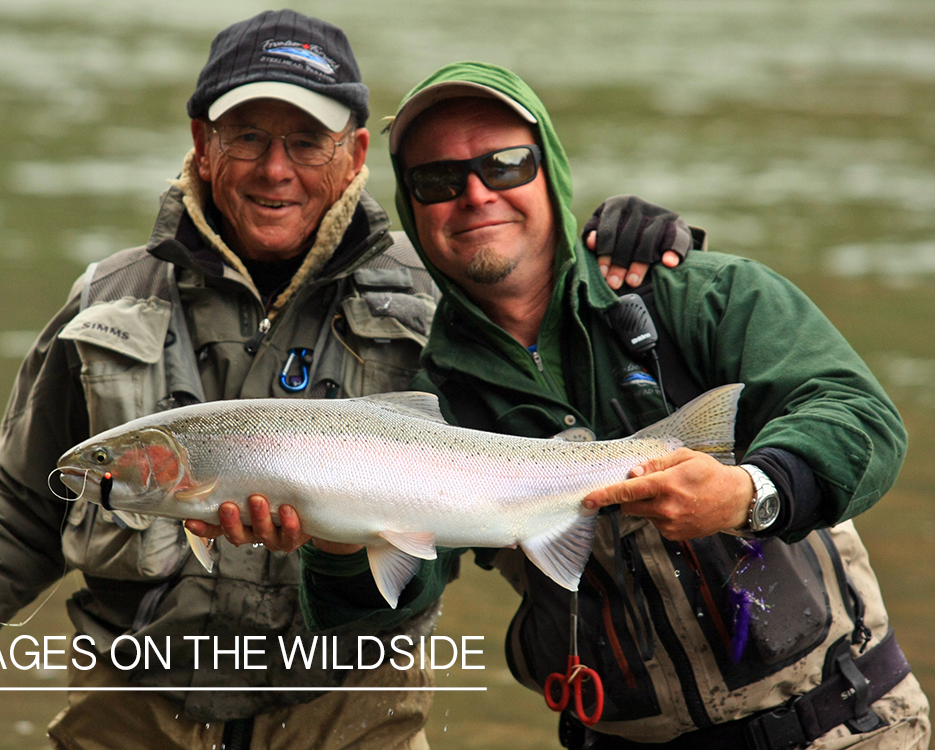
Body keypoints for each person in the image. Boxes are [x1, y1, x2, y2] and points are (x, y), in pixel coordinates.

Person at [0, 14, 687, 750]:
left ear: (350, 156)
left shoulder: (439, 307)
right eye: (249, 138)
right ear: (202, 143)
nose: (276, 169)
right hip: (131, 714)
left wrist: (635, 254)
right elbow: (19, 510)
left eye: (306, 141)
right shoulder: (104, 302)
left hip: (351, 720)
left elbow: (568, 364)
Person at [296, 62, 931, 749]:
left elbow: (858, 415)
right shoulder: (435, 392)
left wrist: (750, 491)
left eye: (505, 165)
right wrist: (335, 546)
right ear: (413, 210)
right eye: (438, 181)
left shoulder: (699, 293)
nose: (475, 195)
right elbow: (384, 621)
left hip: (845, 728)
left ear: (551, 173)